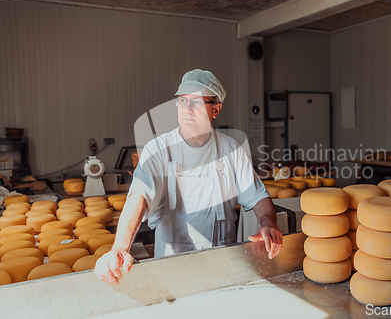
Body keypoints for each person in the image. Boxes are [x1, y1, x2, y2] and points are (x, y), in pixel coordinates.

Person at [95, 69, 283, 284]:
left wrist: (268, 223)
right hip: (173, 264)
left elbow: (257, 196)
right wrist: (120, 247)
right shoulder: (159, 148)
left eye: (197, 102)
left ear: (216, 109)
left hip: (222, 260)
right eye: (183, 101)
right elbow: (139, 195)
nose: (188, 109)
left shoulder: (231, 148)